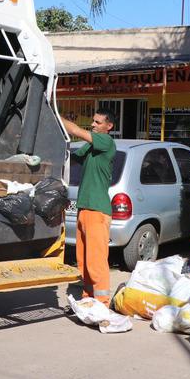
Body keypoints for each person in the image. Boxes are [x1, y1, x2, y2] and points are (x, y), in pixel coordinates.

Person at [62, 110, 117, 305]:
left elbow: (77, 130)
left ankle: (102, 302)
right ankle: (88, 298)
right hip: (84, 208)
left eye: (97, 122)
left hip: (97, 209)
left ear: (108, 126)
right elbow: (74, 159)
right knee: (84, 261)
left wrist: (55, 116)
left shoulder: (106, 142)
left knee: (96, 260)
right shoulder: (91, 148)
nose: (93, 125)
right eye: (93, 121)